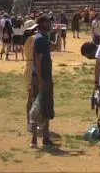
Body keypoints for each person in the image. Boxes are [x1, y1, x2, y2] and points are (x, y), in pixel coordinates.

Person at [31, 13, 56, 149]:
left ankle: (43, 137)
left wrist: (57, 33)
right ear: (42, 24)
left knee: (43, 106)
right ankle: (36, 138)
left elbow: (55, 47)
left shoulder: (43, 38)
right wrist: (40, 78)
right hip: (43, 77)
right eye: (48, 22)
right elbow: (38, 59)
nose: (50, 23)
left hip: (43, 77)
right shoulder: (40, 39)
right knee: (40, 106)